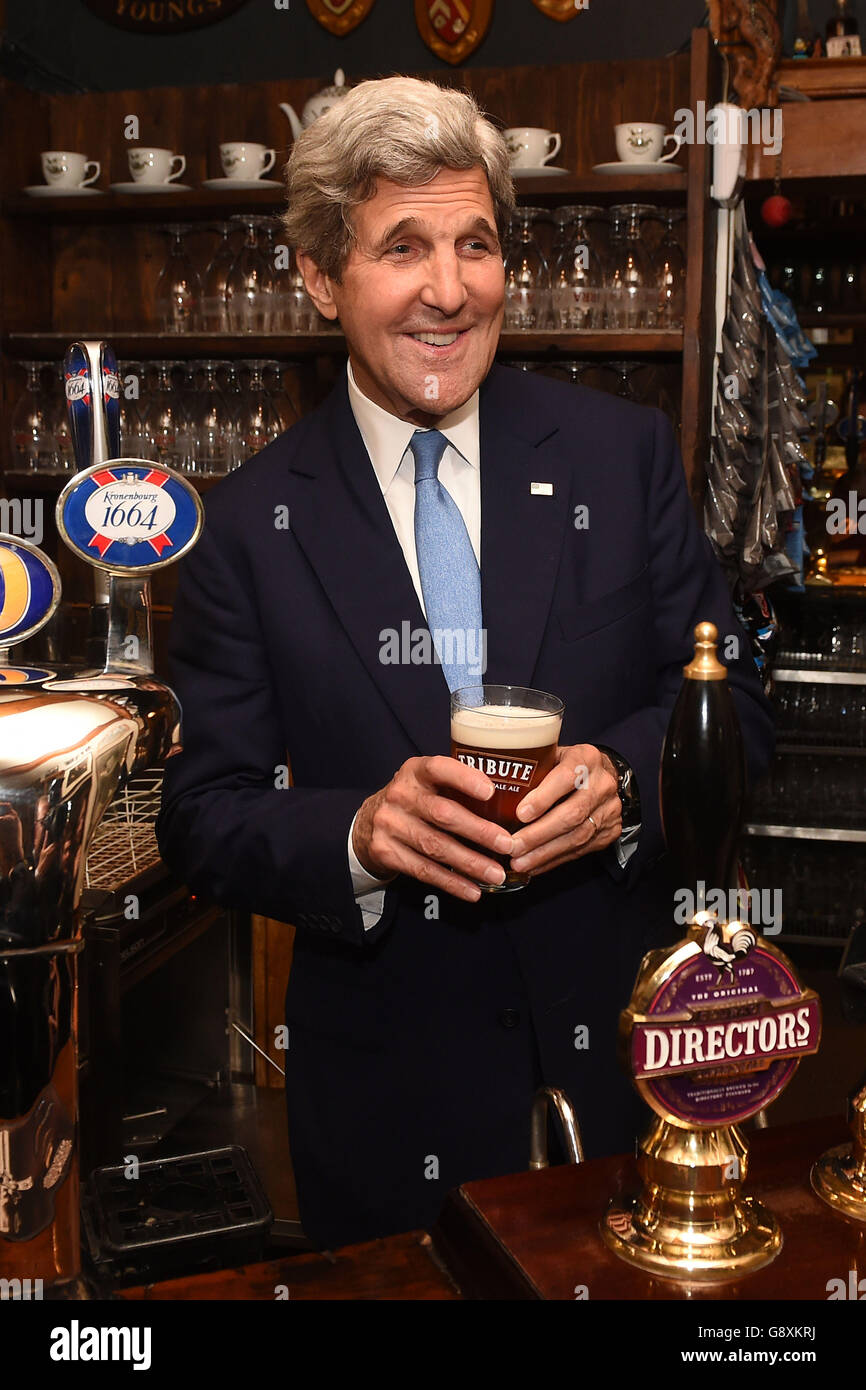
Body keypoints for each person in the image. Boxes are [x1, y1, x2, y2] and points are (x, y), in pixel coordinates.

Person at [156, 75, 775, 1250]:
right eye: (401, 246)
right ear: (316, 275)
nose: (449, 290)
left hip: (629, 1090)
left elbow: (734, 709)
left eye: (475, 243)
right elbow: (204, 812)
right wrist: (356, 836)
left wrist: (625, 780)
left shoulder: (619, 456)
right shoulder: (249, 522)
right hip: (390, 1118)